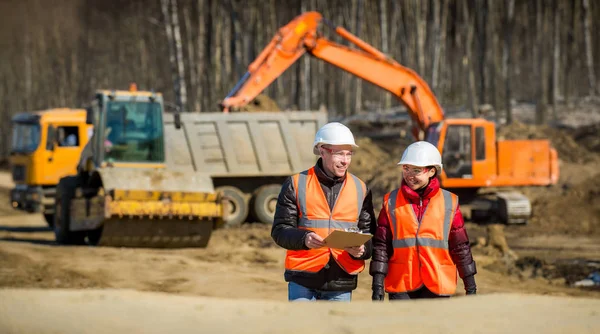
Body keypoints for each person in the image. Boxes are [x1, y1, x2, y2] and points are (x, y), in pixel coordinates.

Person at [271, 122, 376, 302]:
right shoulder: (296, 184)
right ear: (322, 151)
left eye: (349, 154)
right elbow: (280, 230)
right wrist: (304, 239)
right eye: (339, 153)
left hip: (341, 281)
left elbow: (369, 235)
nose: (345, 161)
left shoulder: (361, 188)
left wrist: (362, 250)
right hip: (303, 278)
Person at [370, 141, 477, 301]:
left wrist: (470, 284)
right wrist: (377, 283)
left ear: (432, 171)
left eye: (416, 170)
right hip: (401, 284)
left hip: (437, 283)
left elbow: (460, 246)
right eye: (406, 168)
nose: (409, 175)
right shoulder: (391, 201)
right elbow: (381, 246)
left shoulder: (449, 202)